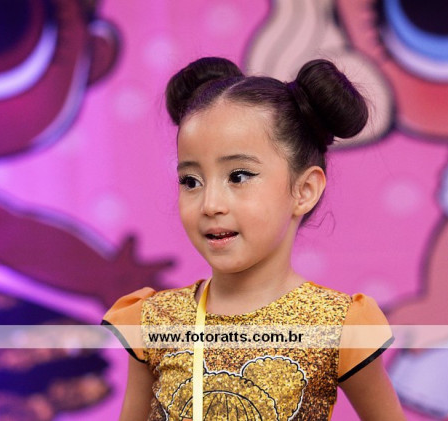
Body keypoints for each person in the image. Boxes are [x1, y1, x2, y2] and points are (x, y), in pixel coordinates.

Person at [101, 56, 405, 420]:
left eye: (239, 176)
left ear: (304, 190)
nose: (210, 204)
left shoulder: (336, 326)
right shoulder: (156, 320)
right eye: (191, 181)